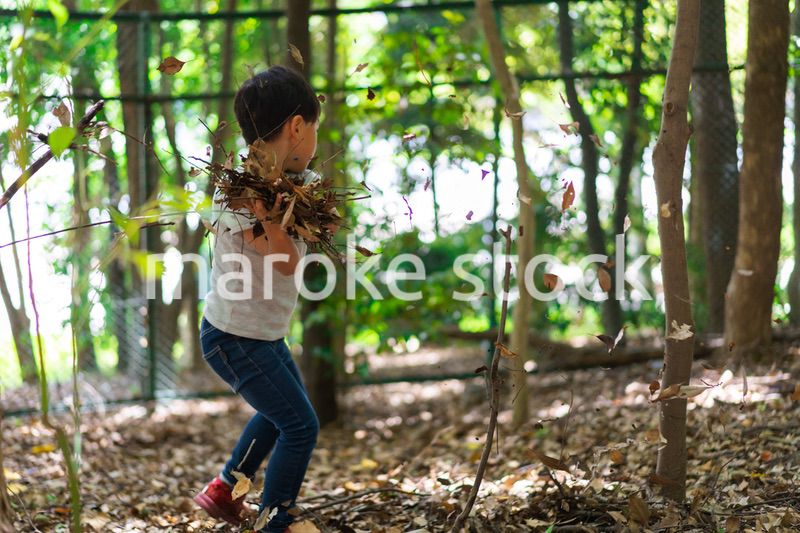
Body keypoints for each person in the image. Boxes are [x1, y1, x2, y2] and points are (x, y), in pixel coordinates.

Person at [193, 65, 324, 533]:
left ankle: (226, 488)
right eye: (313, 130)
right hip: (234, 336)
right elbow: (286, 263)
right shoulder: (237, 192)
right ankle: (276, 521)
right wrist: (268, 218)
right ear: (295, 126)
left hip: (260, 334)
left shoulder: (294, 186)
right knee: (300, 425)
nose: (313, 144)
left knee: (279, 414)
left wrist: (276, 214)